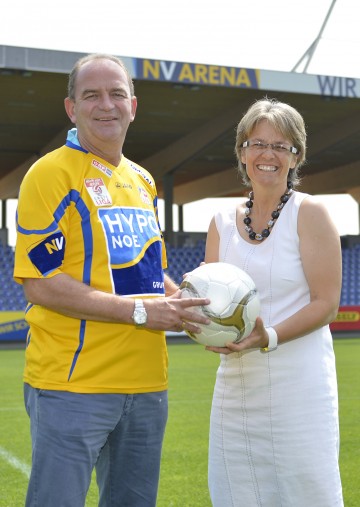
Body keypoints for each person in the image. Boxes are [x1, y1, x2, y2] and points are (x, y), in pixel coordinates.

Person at [13, 53, 210, 507]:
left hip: (146, 385)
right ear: (71, 108)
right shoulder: (49, 173)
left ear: (133, 105)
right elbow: (40, 283)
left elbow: (146, 270)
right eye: (92, 95)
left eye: (117, 94)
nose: (107, 105)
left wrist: (186, 304)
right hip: (73, 385)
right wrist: (142, 311)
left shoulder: (142, 180)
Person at [204, 97, 344, 506]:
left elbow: (326, 303)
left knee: (307, 495)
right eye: (257, 143)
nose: (268, 154)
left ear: (296, 156)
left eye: (281, 146)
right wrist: (193, 314)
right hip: (235, 389)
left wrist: (270, 336)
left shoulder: (311, 213)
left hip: (299, 392)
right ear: (242, 152)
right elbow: (214, 304)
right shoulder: (219, 224)